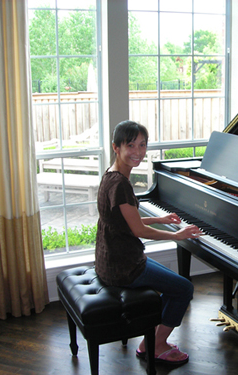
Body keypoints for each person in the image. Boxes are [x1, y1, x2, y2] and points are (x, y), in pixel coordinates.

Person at [95, 120, 202, 365]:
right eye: (130, 145)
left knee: (174, 284)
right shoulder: (121, 185)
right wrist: (177, 235)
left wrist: (160, 218)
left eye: (142, 145)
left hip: (111, 260)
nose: (138, 152)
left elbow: (125, 219)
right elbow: (138, 229)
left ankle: (153, 334)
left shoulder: (111, 176)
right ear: (116, 147)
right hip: (124, 267)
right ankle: (154, 345)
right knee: (184, 288)